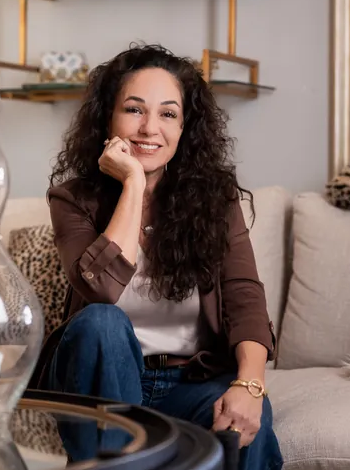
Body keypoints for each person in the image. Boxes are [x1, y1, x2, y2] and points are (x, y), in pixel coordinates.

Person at [34, 44, 283, 470]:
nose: (150, 128)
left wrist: (250, 384)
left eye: (168, 114)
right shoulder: (73, 199)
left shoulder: (215, 200)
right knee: (101, 321)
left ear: (185, 128)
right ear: (108, 119)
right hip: (100, 383)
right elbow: (101, 288)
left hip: (189, 381)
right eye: (134, 110)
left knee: (243, 429)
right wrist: (132, 184)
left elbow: (243, 295)